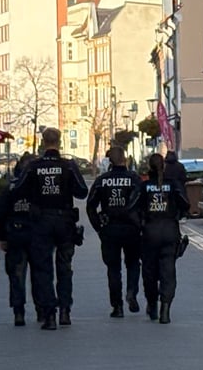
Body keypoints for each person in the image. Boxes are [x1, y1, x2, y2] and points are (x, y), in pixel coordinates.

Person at [12, 128, 88, 330]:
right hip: (64, 221)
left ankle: (49, 314)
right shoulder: (68, 166)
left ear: (43, 142)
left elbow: (18, 190)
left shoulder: (34, 167)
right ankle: (65, 310)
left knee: (43, 268)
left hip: (41, 221)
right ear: (60, 141)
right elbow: (82, 191)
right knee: (65, 268)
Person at [130, 153, 189, 324]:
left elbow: (131, 207)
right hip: (170, 231)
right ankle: (165, 308)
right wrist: (177, 214)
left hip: (149, 233)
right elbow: (185, 203)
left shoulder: (144, 186)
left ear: (149, 168)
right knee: (168, 271)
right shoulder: (173, 185)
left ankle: (152, 304)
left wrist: (140, 224)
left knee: (149, 271)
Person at [87, 146, 143, 318]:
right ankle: (132, 292)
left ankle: (117, 306)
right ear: (124, 159)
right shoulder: (134, 179)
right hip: (131, 229)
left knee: (113, 268)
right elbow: (142, 202)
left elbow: (90, 206)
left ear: (109, 162)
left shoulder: (102, 180)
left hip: (109, 229)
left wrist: (98, 227)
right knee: (133, 263)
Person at [0, 154, 37, 326]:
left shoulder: (10, 188)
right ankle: (43, 310)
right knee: (41, 274)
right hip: (37, 235)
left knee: (16, 275)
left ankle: (18, 311)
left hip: (15, 235)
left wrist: (2, 237)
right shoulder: (39, 187)